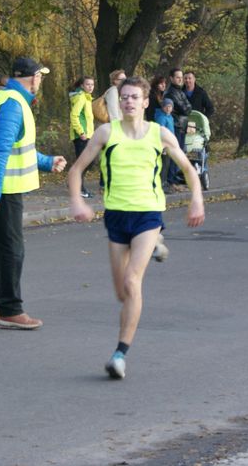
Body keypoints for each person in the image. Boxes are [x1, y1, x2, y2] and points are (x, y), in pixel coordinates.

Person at [68, 76, 205, 379]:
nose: (129, 101)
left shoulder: (159, 134)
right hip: (117, 215)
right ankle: (156, 244)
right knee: (121, 293)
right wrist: (77, 201)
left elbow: (188, 169)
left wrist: (196, 199)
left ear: (145, 102)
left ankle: (120, 354)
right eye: (124, 97)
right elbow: (76, 170)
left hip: (148, 214)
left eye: (134, 97)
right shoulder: (107, 132)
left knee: (132, 282)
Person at [0, 57, 67, 330]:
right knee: (12, 248)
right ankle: (11, 310)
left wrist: (47, 162)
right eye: (40, 76)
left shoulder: (3, 99)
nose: (41, 81)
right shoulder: (14, 104)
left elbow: (17, 147)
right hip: (5, 188)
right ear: (34, 77)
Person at [69, 75, 95, 198]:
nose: (90, 87)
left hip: (88, 135)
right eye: (88, 84)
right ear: (82, 85)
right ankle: (79, 188)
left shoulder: (87, 97)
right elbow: (74, 116)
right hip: (81, 136)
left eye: (92, 84)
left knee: (88, 162)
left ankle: (74, 183)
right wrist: (81, 132)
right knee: (83, 163)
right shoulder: (81, 97)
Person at [153, 98, 181, 191]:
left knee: (167, 164)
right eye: (166, 107)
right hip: (164, 145)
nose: (168, 109)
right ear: (163, 107)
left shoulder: (169, 116)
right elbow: (161, 132)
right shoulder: (161, 117)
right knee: (164, 165)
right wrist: (163, 146)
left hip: (169, 144)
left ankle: (164, 182)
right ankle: (161, 184)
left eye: (170, 107)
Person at [163, 68, 192, 149]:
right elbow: (184, 109)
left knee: (181, 151)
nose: (180, 80)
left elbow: (189, 107)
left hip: (182, 125)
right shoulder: (170, 92)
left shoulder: (180, 91)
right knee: (176, 152)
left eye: (181, 77)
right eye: (178, 77)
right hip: (175, 126)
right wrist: (187, 108)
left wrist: (187, 108)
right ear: (171, 78)